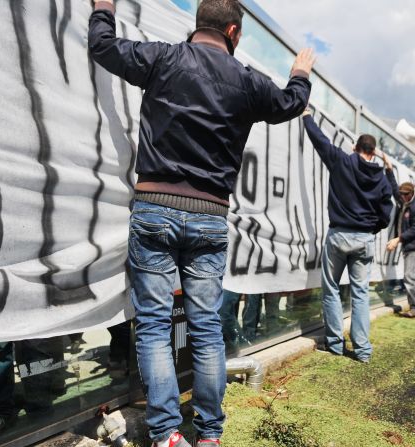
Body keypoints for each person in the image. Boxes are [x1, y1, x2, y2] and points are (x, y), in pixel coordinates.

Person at [89, 1, 315, 445]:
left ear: (200, 24)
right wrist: (300, 74)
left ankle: (167, 434)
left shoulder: (163, 58)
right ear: (233, 30)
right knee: (207, 327)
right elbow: (291, 103)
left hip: (154, 205)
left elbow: (103, 46)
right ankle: (209, 435)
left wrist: (103, 7)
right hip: (211, 216)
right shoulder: (247, 81)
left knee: (153, 326)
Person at [302, 109, 394, 363]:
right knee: (361, 294)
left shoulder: (343, 161)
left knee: (331, 289)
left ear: (355, 147)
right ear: (373, 152)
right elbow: (388, 210)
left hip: (339, 235)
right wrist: (374, 228)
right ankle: (362, 351)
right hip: (364, 238)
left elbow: (320, 141)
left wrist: (307, 115)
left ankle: (335, 345)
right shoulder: (382, 179)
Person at [385, 180, 415, 318]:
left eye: (406, 194)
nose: (403, 197)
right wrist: (389, 170)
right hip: (408, 245)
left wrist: (397, 239)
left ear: (412, 193)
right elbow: (394, 188)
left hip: (413, 246)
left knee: (409, 277)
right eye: (402, 194)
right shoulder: (404, 200)